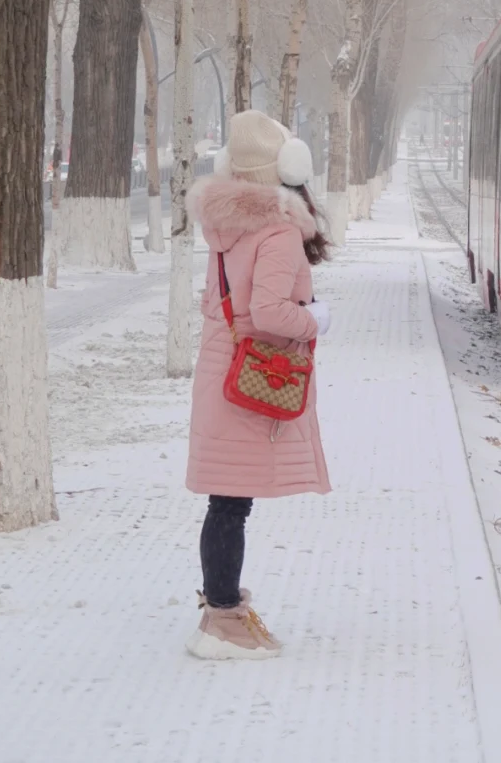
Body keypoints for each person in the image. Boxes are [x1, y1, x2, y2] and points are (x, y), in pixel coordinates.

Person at [183, 109, 333, 661]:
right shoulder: (278, 232)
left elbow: (217, 305)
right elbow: (268, 312)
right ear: (287, 166)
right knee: (230, 506)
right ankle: (222, 624)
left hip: (220, 372)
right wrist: (316, 318)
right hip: (248, 380)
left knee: (225, 501)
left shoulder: (226, 228)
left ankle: (220, 614)